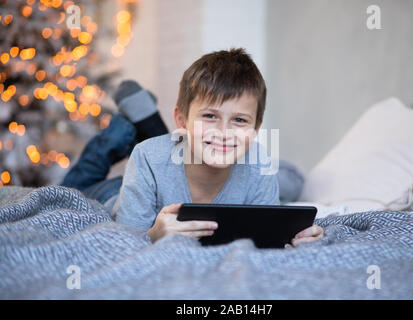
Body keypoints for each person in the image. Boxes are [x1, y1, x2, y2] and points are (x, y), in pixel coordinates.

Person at [62, 48, 323, 247]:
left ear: (256, 128)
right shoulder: (147, 158)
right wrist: (154, 235)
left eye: (240, 120)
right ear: (181, 120)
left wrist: (292, 239)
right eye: (210, 116)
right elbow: (127, 241)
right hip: (115, 194)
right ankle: (122, 129)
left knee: (174, 147)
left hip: (165, 160)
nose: (223, 133)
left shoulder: (259, 162)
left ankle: (149, 123)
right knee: (73, 186)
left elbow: (265, 237)